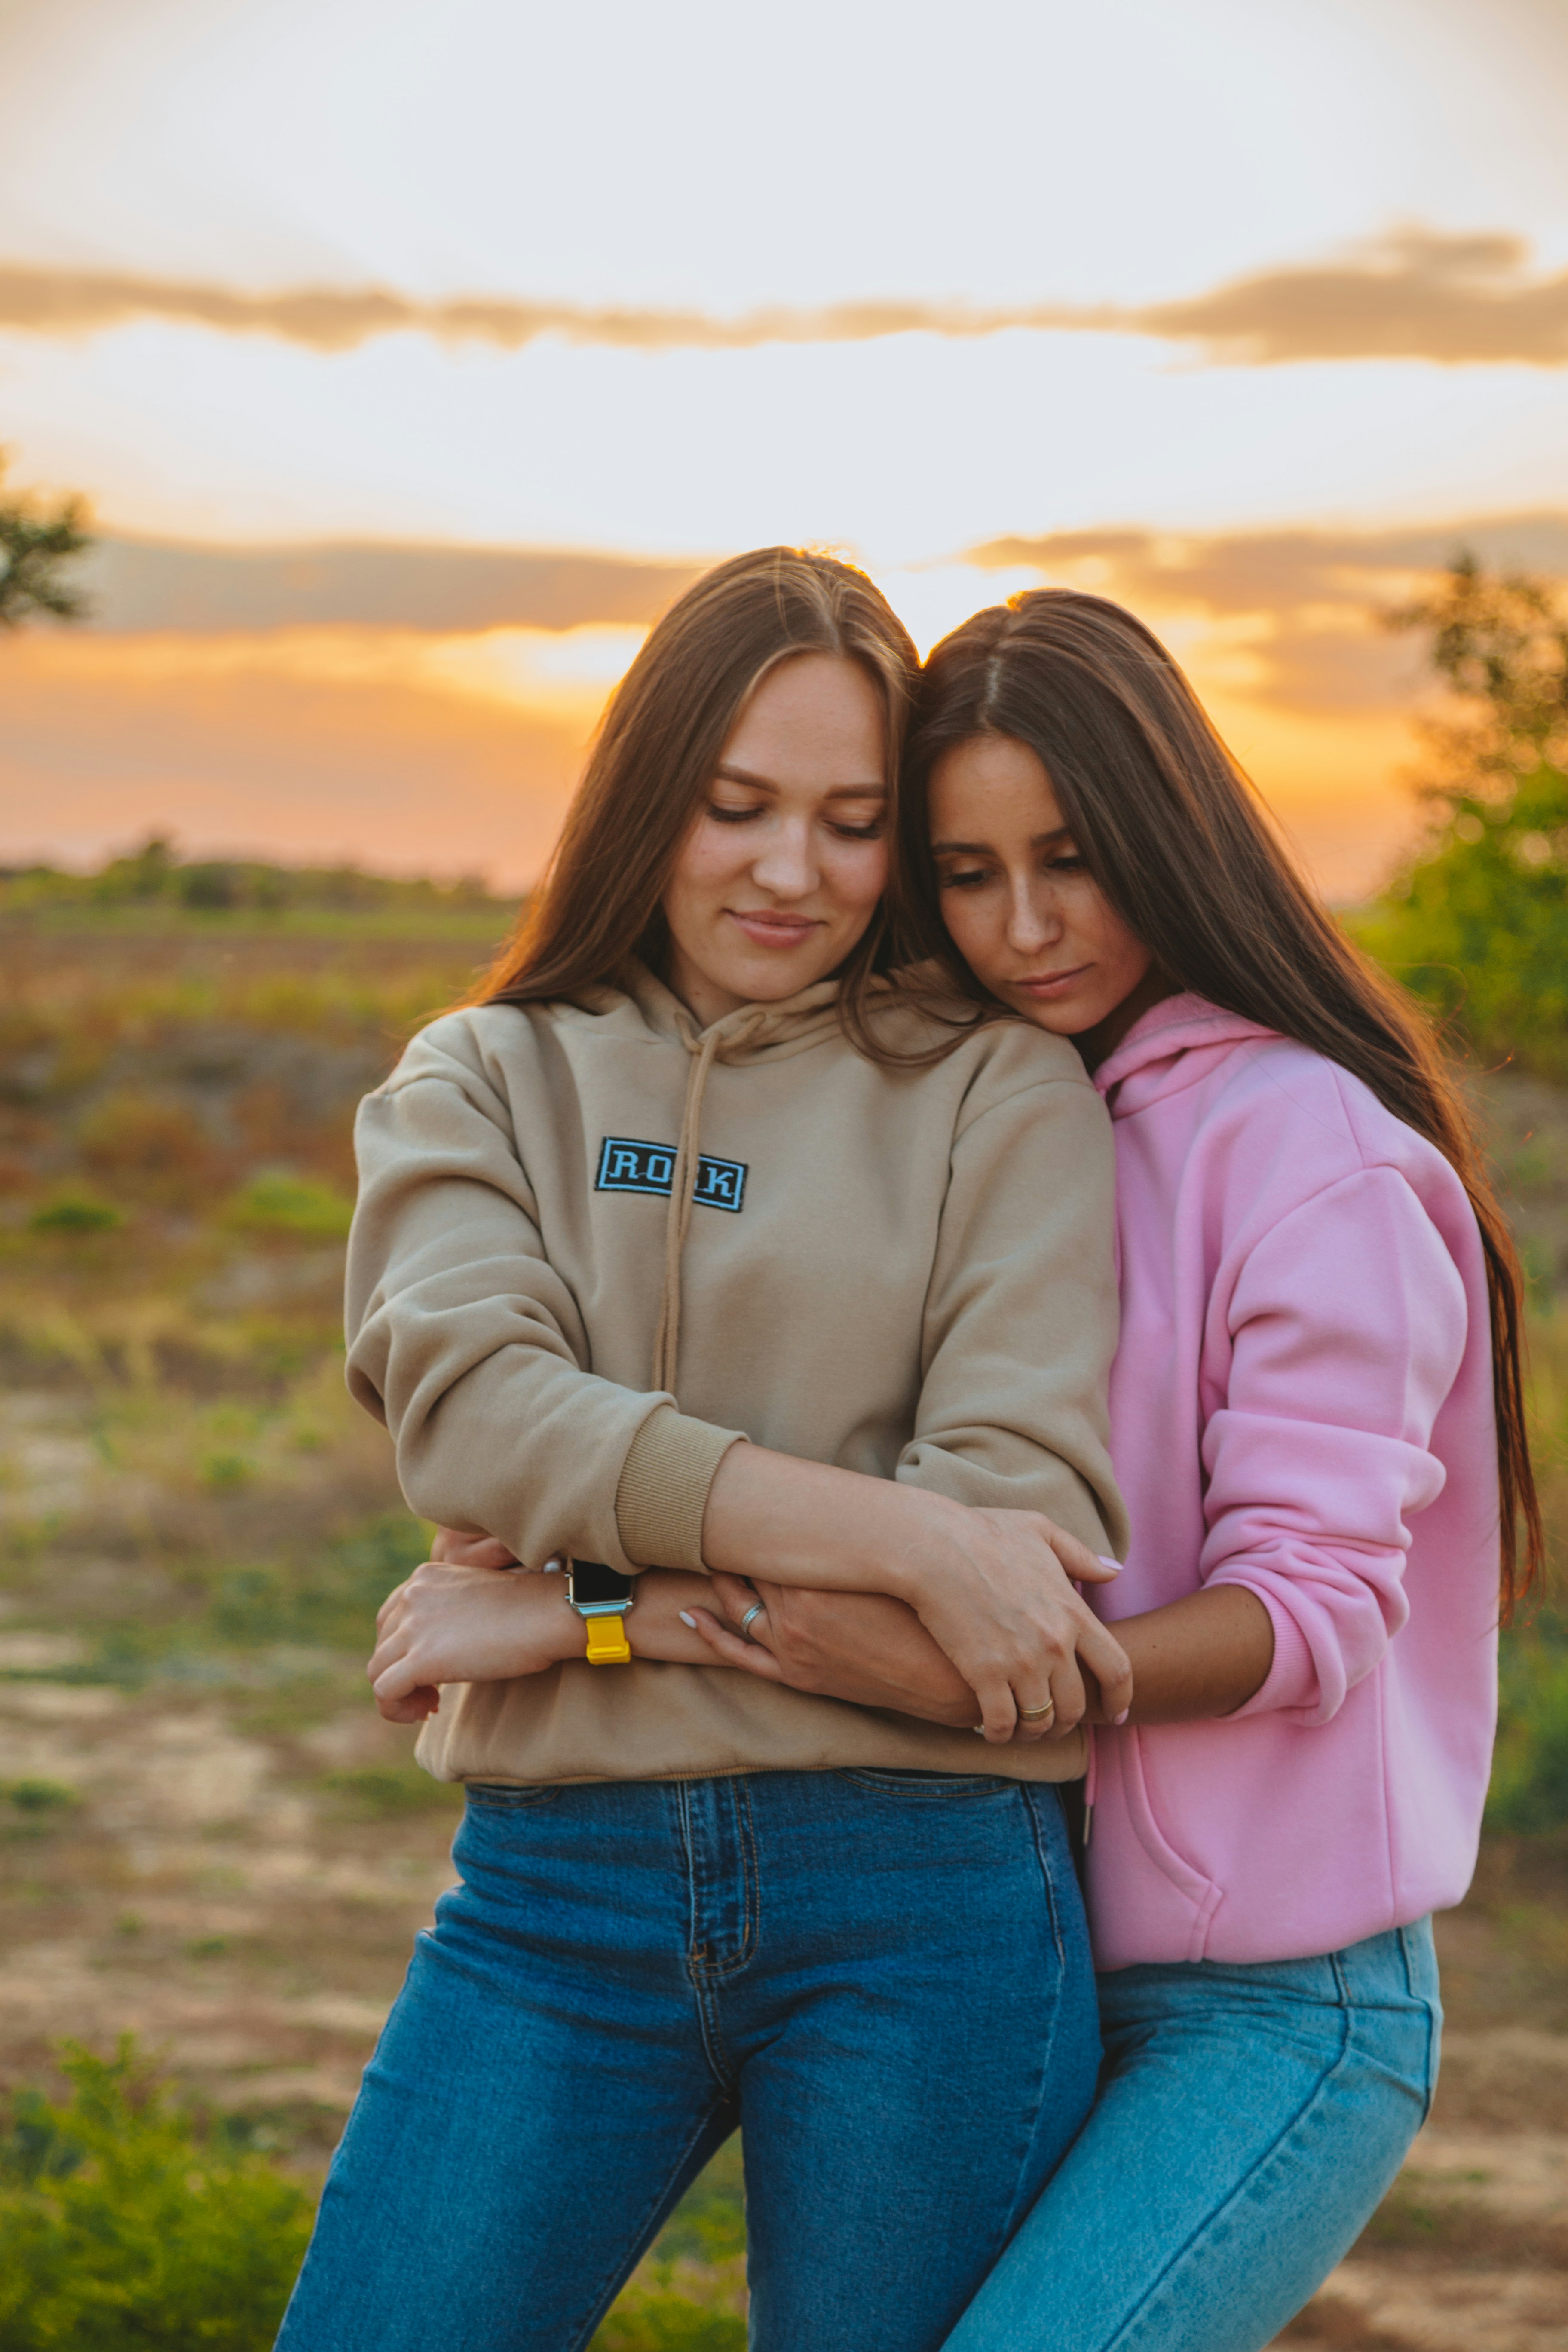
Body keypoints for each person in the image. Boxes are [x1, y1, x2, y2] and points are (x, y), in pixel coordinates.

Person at [276, 550, 1134, 2352]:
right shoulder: (486, 1076)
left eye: (850, 822)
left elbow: (1010, 1591)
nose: (789, 872)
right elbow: (477, 1418)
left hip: (929, 1897)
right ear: (649, 795)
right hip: (554, 1895)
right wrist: (859, 1549)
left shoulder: (1003, 1095)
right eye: (737, 806)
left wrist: (570, 1597)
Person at [688, 588, 1540, 2352]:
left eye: (1070, 856)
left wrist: (993, 1675)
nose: (1023, 927)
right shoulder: (999, 1122)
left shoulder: (1312, 1152)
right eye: (968, 871)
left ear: (1170, 827)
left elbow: (1312, 1613)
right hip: (994, 1953)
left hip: (1276, 2013)